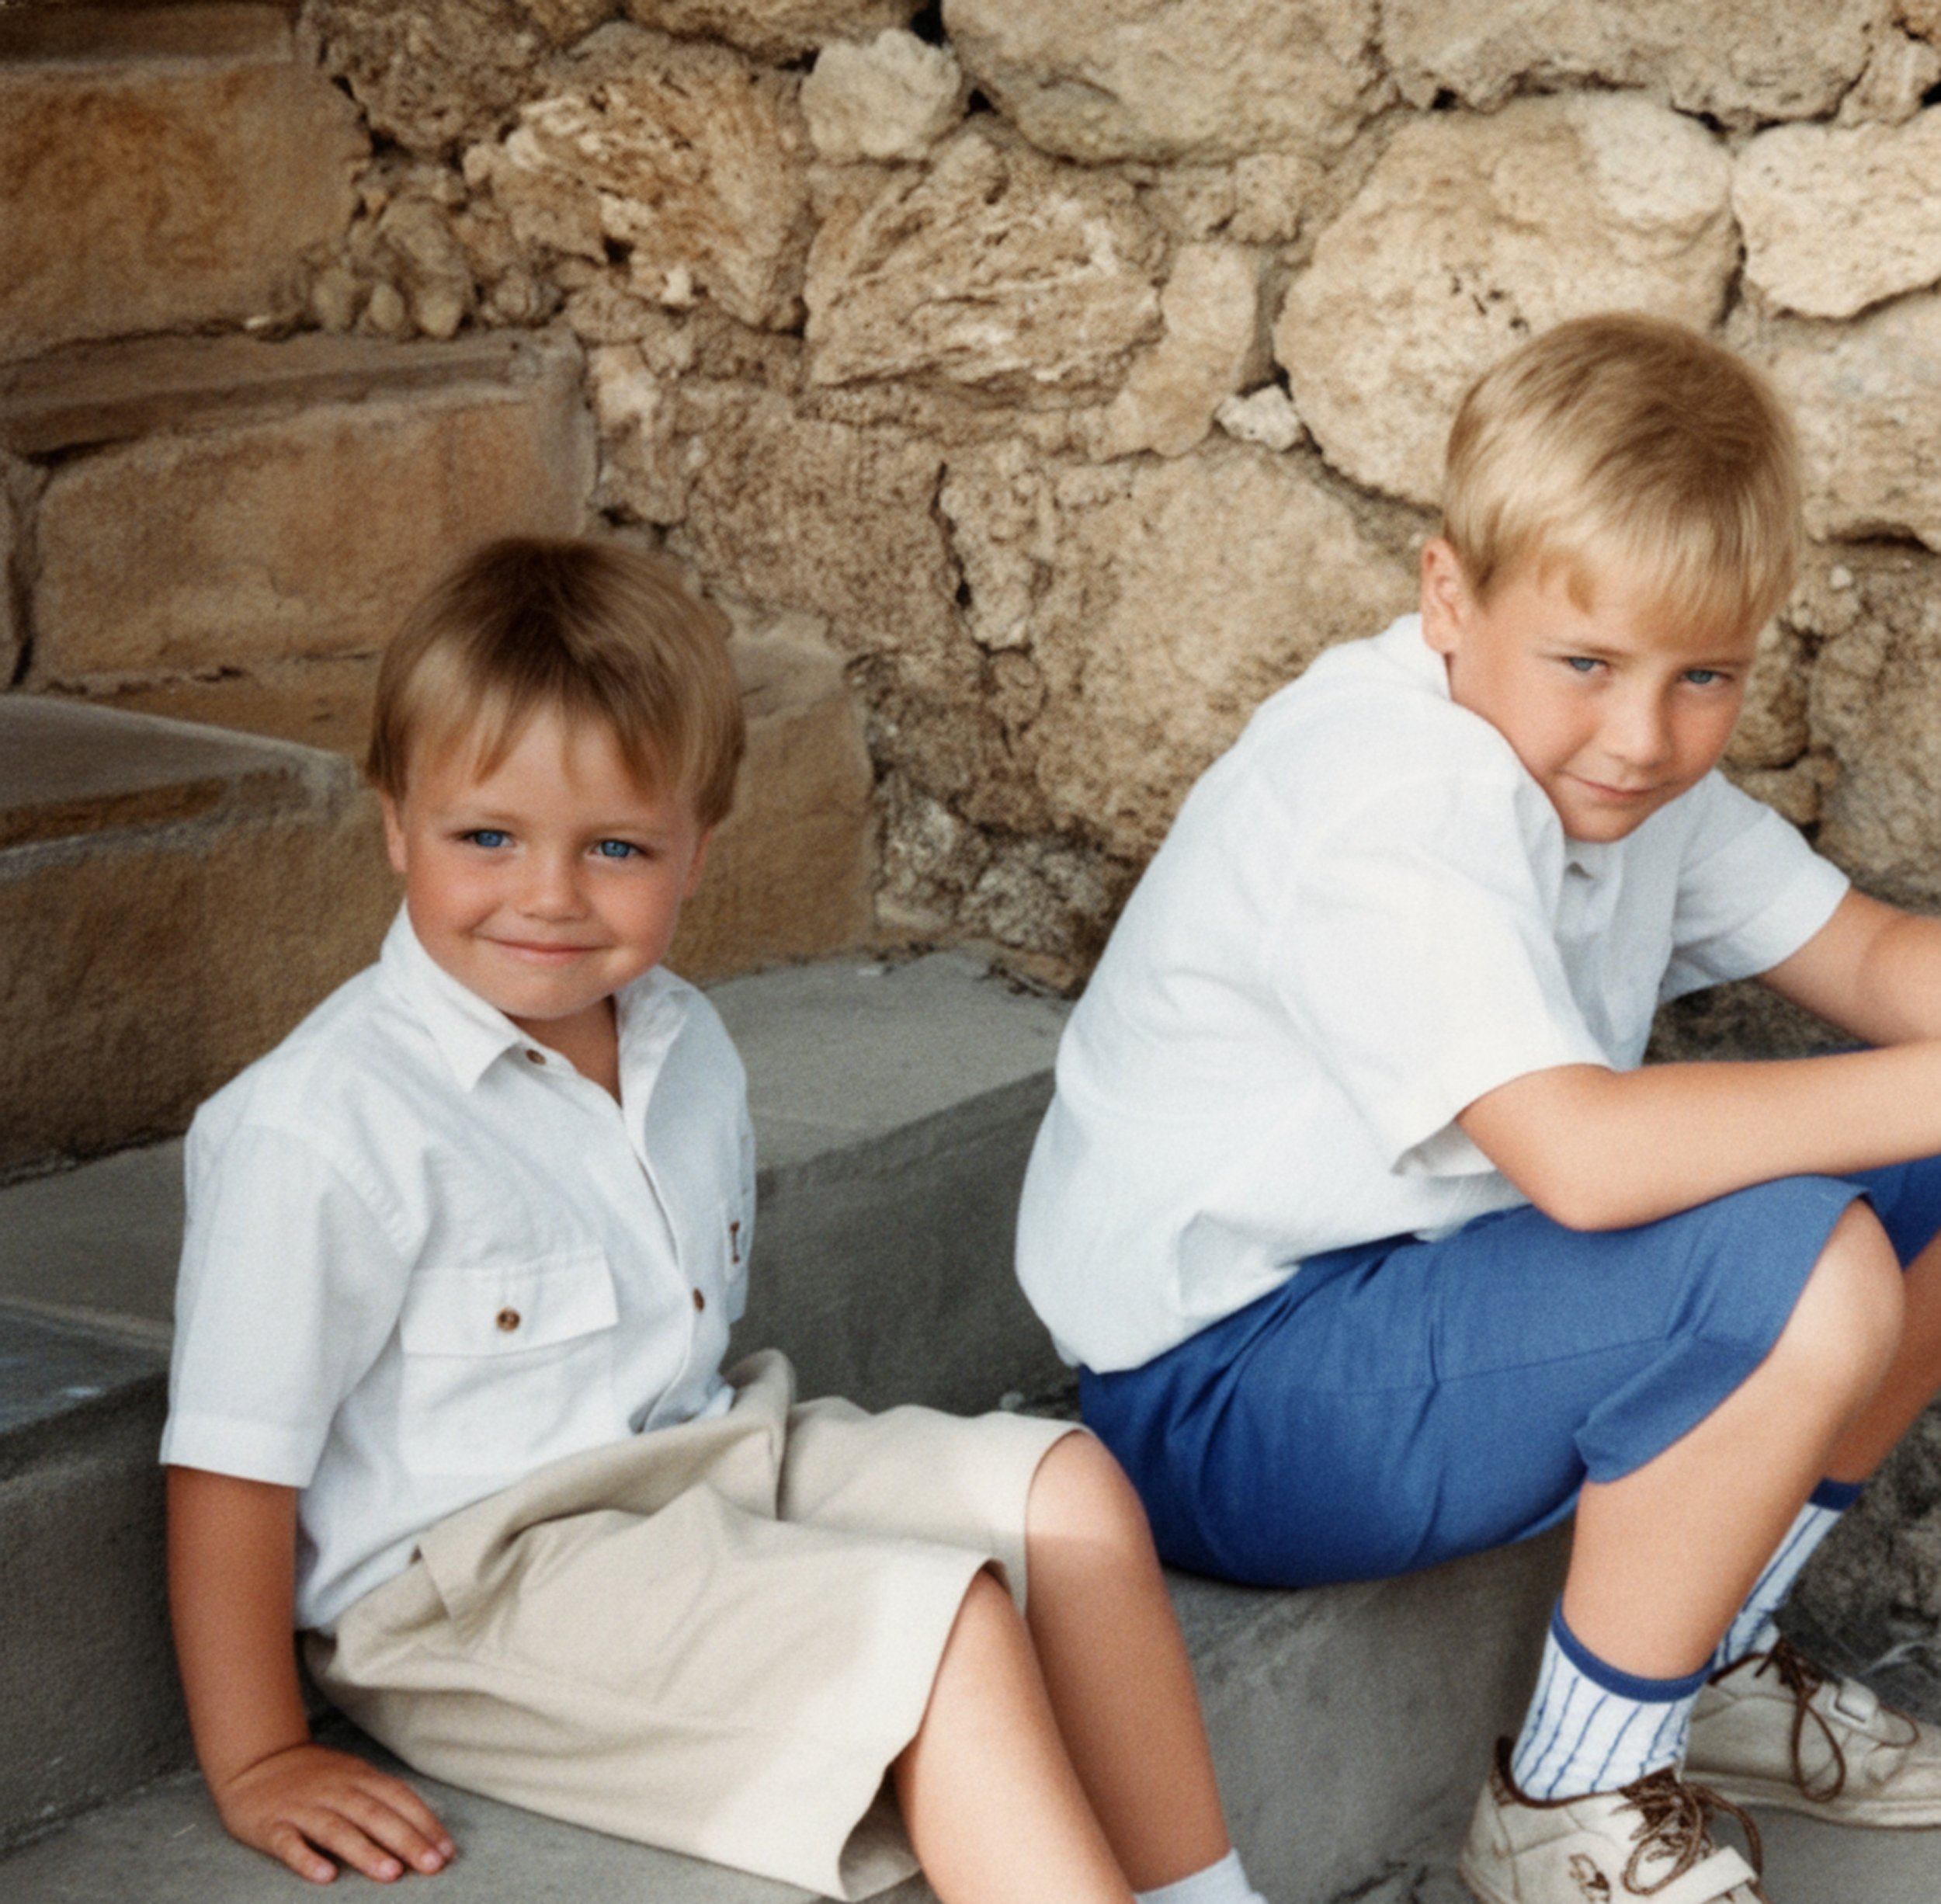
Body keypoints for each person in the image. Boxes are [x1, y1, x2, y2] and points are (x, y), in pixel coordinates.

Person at [163, 537, 1269, 1904]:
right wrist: (261, 1753)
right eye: (486, 837)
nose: (551, 895)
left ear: (698, 848)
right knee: (944, 1626)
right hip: (475, 1592)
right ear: (396, 821)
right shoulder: (322, 1125)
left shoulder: (682, 1044)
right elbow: (231, 1469)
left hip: (700, 1468)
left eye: (615, 846)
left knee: (1071, 1491)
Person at [1014, 312, 1941, 1904]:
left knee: (1910, 1168)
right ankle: (1561, 1802)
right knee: (1803, 1264)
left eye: (1700, 675)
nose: (1642, 735)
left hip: (1414, 1314)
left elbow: (1865, 956)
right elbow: (1577, 1158)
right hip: (1220, 1389)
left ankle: (1696, 1658)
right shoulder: (1389, 790)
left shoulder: (1615, 769)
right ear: (1449, 595)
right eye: (1584, 663)